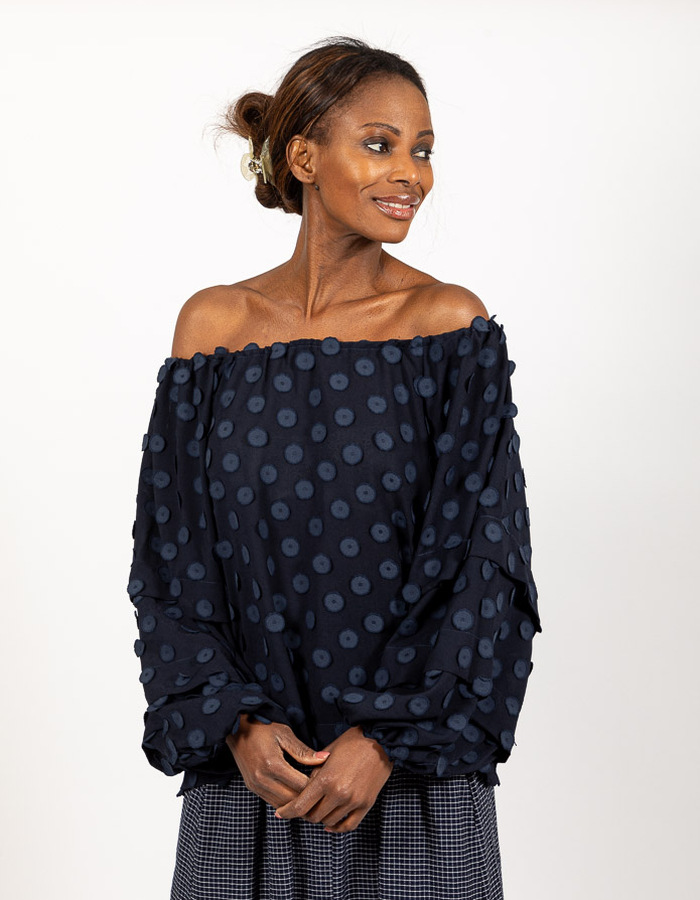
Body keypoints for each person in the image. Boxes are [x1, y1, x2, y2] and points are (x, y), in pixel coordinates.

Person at [126, 35, 542, 900]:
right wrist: (235, 725)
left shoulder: (449, 329)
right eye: (380, 144)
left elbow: (484, 564)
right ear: (304, 158)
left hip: (412, 777)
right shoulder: (212, 332)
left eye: (423, 150)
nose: (411, 175)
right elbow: (173, 564)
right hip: (249, 783)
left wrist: (384, 741)